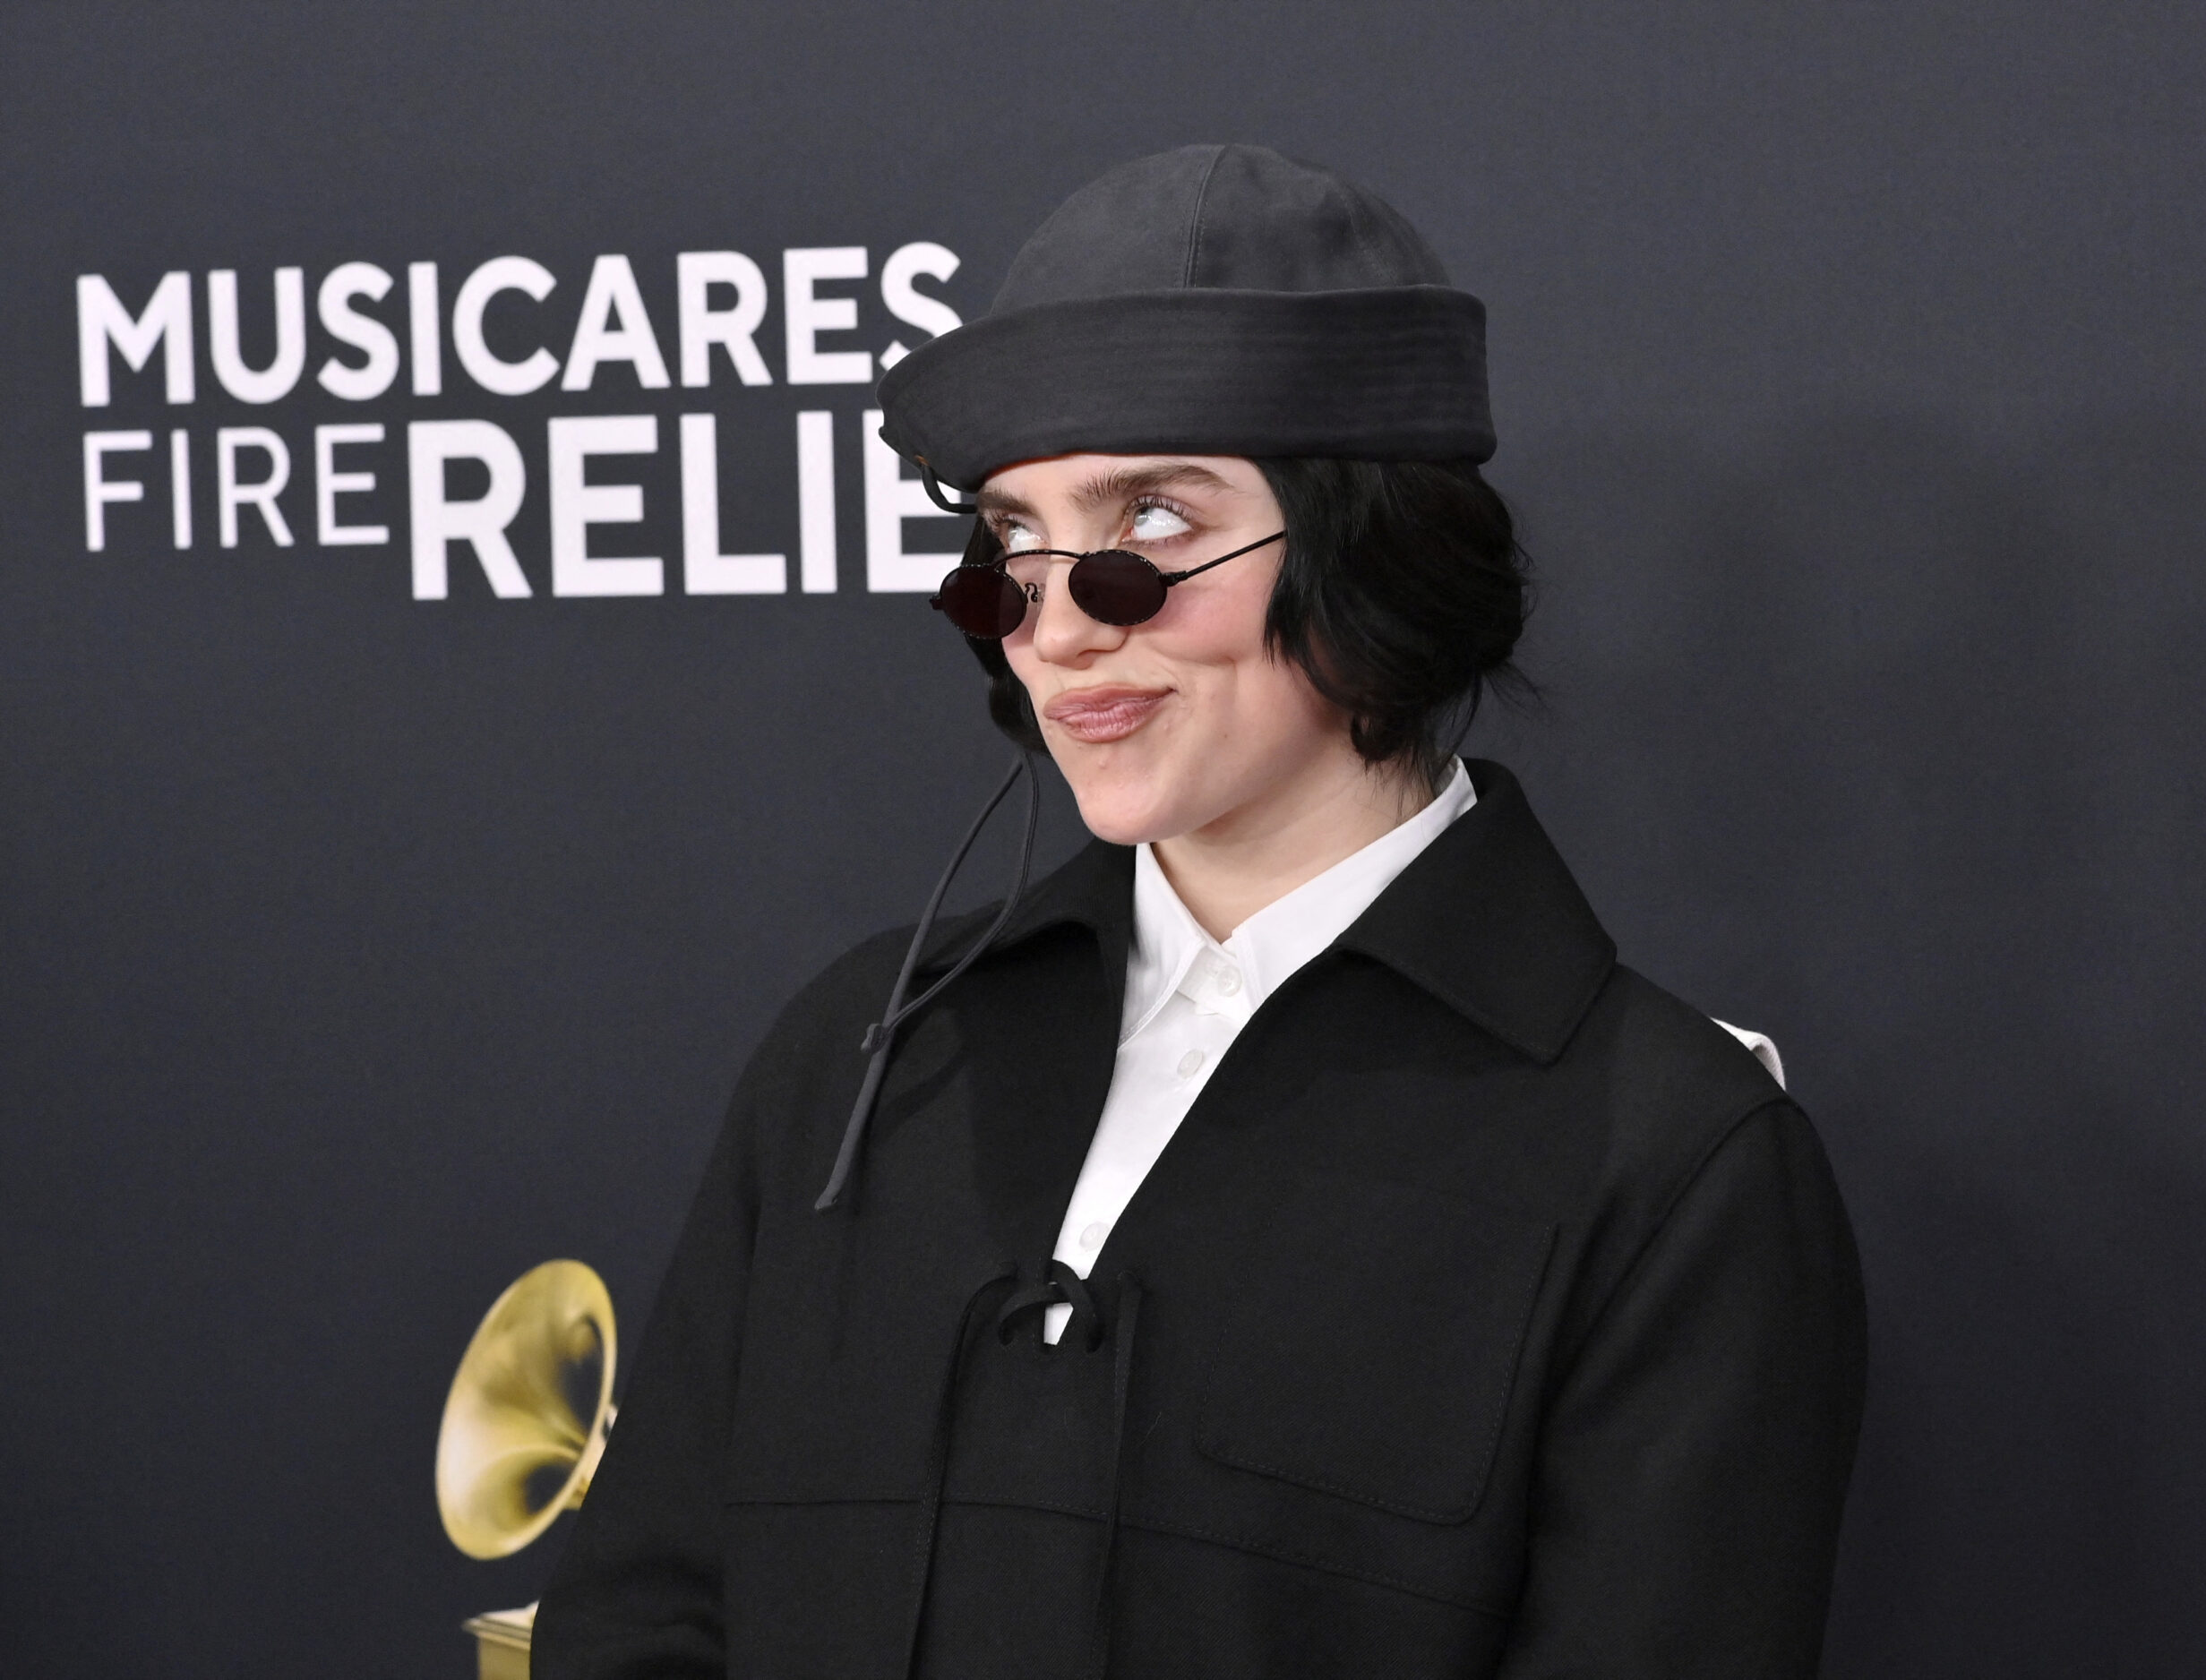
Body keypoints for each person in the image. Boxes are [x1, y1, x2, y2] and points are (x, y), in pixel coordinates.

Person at [533, 143, 1864, 1680]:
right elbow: (645, 1611)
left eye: (1151, 527)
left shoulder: (1672, 1156)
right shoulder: (870, 1051)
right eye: (1012, 550)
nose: (1057, 633)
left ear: (1376, 539)